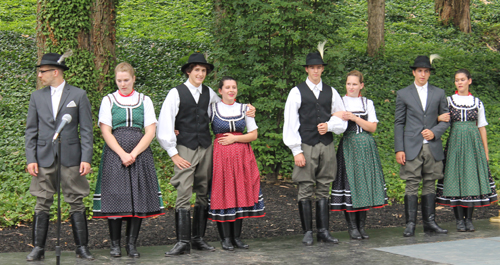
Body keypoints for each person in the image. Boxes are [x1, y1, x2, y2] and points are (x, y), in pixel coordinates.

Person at [157, 53, 255, 256]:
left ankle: (197, 238)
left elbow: (226, 104)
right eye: (197, 70)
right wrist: (173, 153)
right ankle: (183, 241)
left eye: (203, 71)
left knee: (203, 191)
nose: (200, 74)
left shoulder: (209, 93)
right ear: (188, 71)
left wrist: (248, 109)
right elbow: (165, 122)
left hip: (206, 147)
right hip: (184, 148)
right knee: (184, 191)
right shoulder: (176, 93)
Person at [25, 52, 94, 260]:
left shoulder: (78, 95)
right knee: (42, 200)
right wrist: (31, 158)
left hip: (72, 156)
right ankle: (38, 248)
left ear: (55, 72)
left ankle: (81, 247)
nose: (39, 75)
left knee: (76, 200)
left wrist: (86, 157)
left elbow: (87, 130)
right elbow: (31, 131)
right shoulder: (36, 97)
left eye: (42, 71)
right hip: (44, 156)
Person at [92, 62, 165, 258]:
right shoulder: (108, 100)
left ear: (133, 79)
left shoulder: (145, 100)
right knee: (115, 197)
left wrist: (134, 153)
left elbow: (150, 131)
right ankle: (115, 245)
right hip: (115, 154)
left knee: (137, 197)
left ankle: (131, 244)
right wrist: (122, 154)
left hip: (140, 154)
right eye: (119, 80)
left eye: (126, 80)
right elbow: (106, 131)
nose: (122, 84)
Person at [283, 47, 347, 246]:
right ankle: (307, 232)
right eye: (312, 67)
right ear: (307, 69)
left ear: (322, 69)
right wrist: (296, 150)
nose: (315, 71)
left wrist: (330, 125)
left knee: (323, 188)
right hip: (306, 145)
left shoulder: (331, 92)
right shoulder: (296, 92)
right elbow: (290, 122)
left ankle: (323, 231)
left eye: (319, 67)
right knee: (305, 187)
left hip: (326, 145)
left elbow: (342, 118)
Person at [436, 69, 498, 232]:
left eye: (463, 79)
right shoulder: (449, 101)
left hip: (473, 145)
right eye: (457, 80)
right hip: (455, 144)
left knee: (470, 180)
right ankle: (459, 220)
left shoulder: (477, 102)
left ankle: (469, 219)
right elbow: (439, 120)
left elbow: (482, 127)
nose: (460, 82)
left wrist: (485, 152)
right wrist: (438, 118)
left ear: (469, 81)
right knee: (455, 180)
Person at [394, 55, 449, 237]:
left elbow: (446, 119)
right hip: (411, 145)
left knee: (430, 184)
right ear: (414, 72)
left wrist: (435, 131)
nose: (423, 74)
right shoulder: (404, 94)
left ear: (429, 73)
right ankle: (410, 224)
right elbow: (399, 123)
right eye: (420, 71)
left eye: (426, 71)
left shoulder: (439, 93)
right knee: (411, 184)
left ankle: (430, 222)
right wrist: (399, 148)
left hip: (432, 145)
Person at [207, 77, 264, 251]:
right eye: (227, 87)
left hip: (241, 156)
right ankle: (225, 238)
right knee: (223, 192)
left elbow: (253, 135)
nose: (231, 90)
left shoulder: (245, 109)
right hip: (220, 156)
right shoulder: (213, 109)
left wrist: (235, 138)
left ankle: (236, 237)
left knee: (239, 192)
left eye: (234, 87)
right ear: (220, 91)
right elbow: (198, 125)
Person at [329, 70, 387, 240]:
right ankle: (352, 227)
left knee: (364, 186)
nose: (351, 87)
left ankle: (362, 226)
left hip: (366, 147)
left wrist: (354, 118)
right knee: (350, 185)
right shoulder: (340, 102)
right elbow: (334, 122)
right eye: (348, 84)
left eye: (355, 84)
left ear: (361, 85)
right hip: (349, 146)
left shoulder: (367, 103)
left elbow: (372, 127)